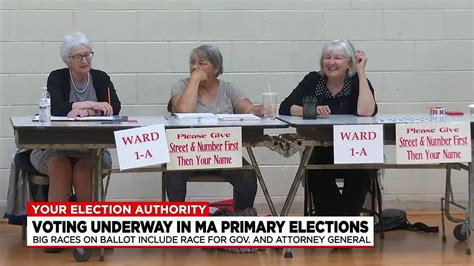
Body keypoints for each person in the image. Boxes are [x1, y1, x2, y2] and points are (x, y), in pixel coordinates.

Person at [279, 39, 378, 216]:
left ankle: (347, 221)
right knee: (314, 168)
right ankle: (334, 220)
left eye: (337, 58)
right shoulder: (313, 80)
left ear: (349, 63)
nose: (331, 62)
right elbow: (285, 107)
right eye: (327, 57)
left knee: (362, 171)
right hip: (321, 147)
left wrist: (361, 73)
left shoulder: (357, 82)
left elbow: (366, 111)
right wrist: (310, 110)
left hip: (353, 148)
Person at [167, 44, 262, 211]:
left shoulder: (228, 88)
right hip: (188, 152)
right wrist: (195, 80)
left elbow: (246, 108)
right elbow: (183, 110)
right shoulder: (181, 86)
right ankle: (178, 222)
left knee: (248, 174)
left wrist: (260, 109)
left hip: (222, 153)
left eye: (202, 63)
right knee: (172, 174)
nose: (195, 67)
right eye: (192, 62)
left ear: (216, 68)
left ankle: (240, 220)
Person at [30, 32, 121, 206]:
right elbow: (56, 108)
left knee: (84, 170)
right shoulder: (57, 77)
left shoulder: (101, 78)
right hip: (53, 147)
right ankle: (56, 228)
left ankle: (88, 228)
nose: (85, 60)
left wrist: (87, 112)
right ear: (67, 60)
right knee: (60, 167)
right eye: (78, 57)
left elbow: (113, 107)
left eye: (87, 55)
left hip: (93, 149)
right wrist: (90, 103)